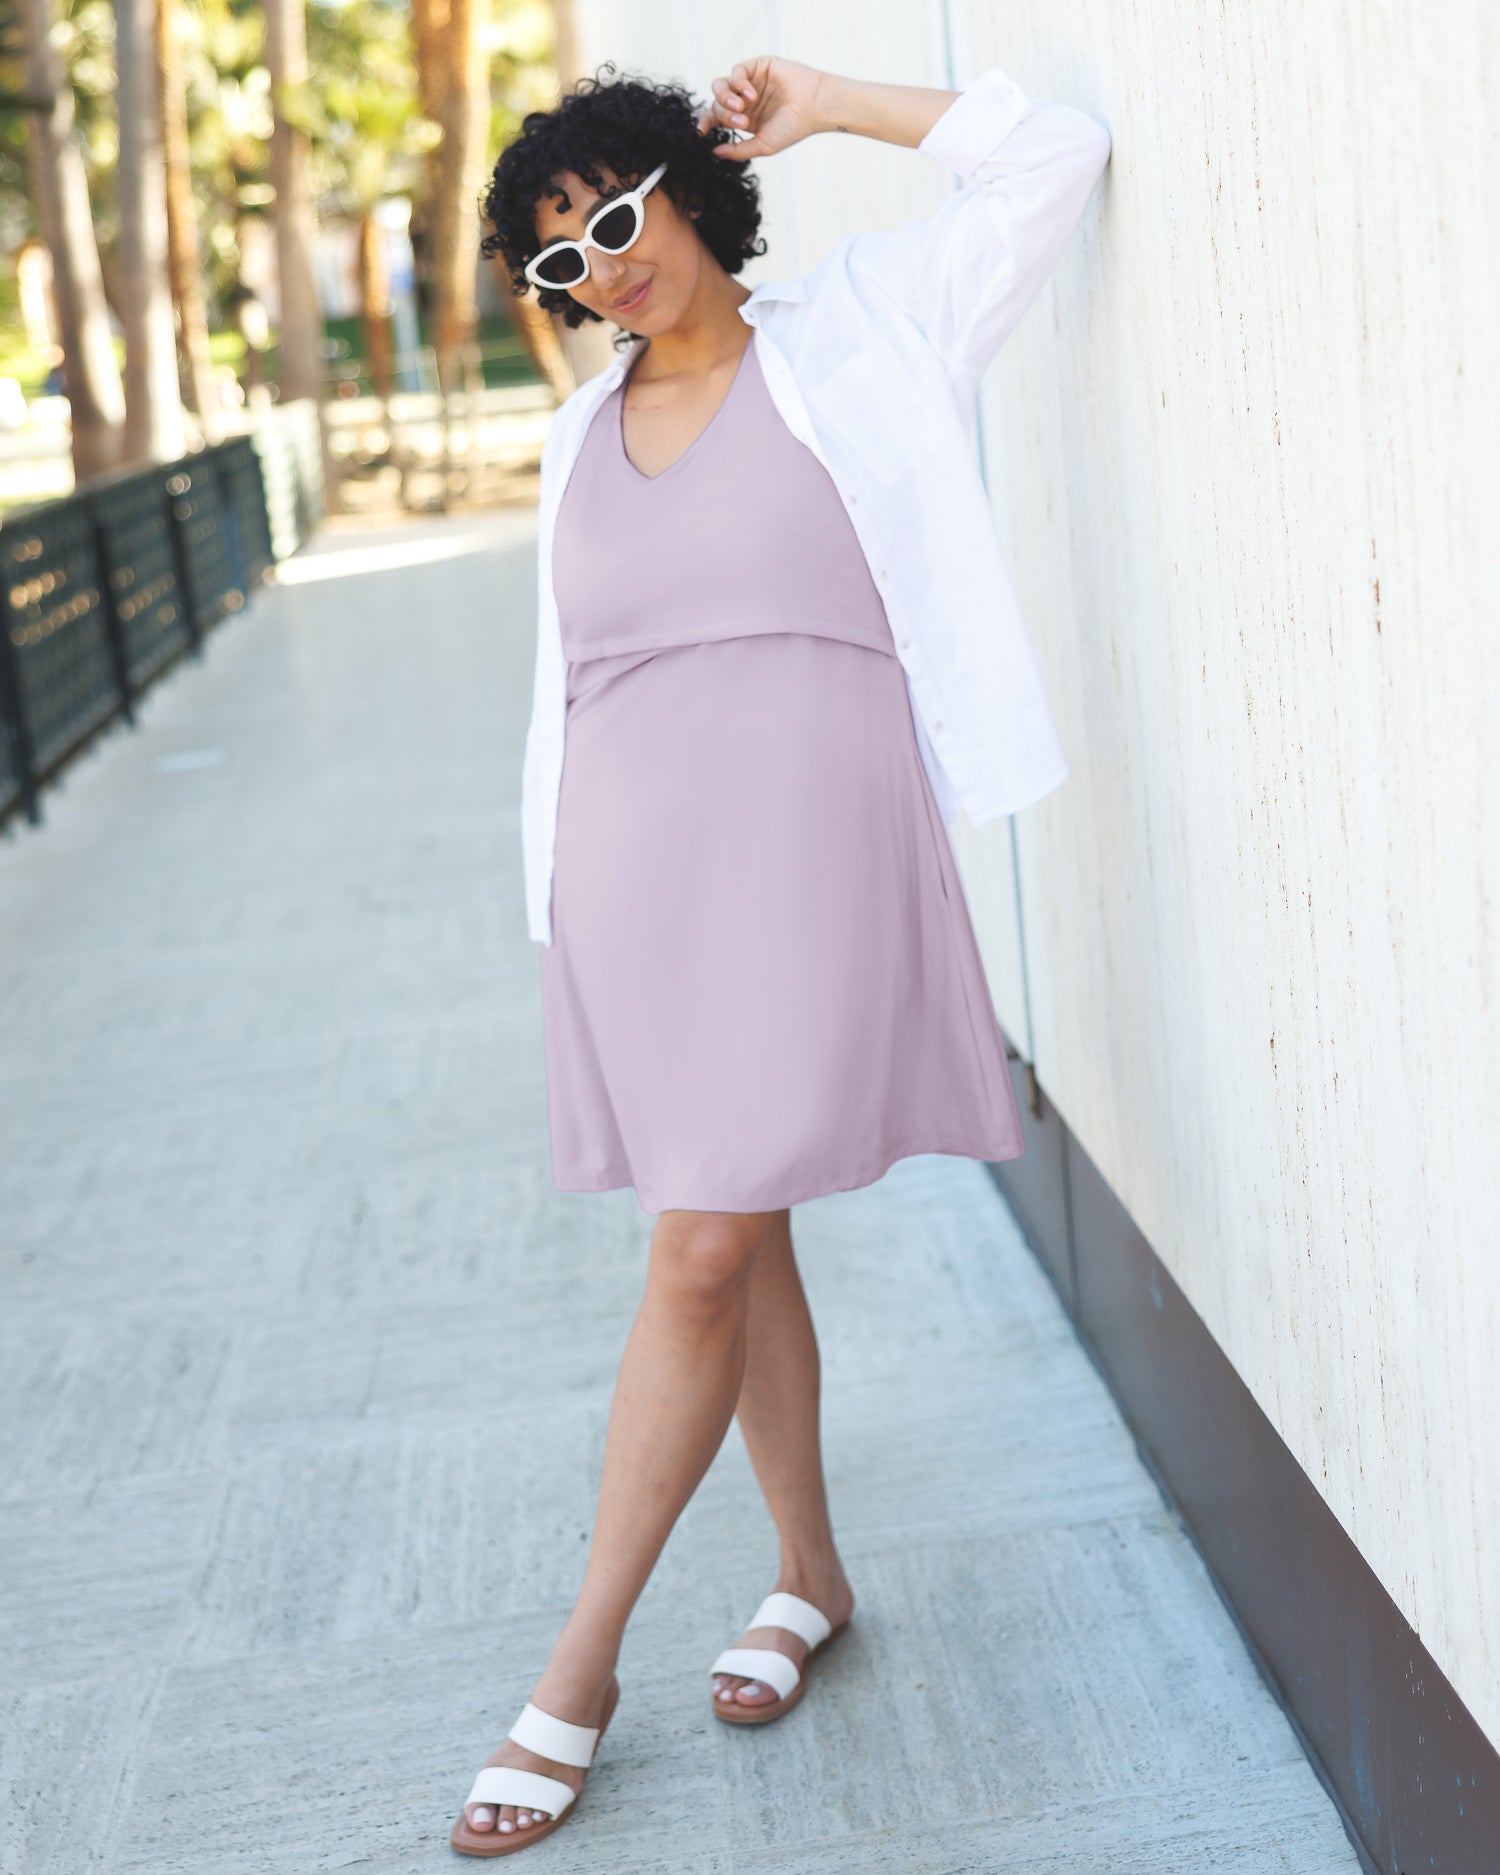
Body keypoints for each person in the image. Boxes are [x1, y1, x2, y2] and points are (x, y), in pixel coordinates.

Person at [451, 51, 1111, 1857]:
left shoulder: (863, 335)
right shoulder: (575, 436)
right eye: (556, 258)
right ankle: (807, 1574)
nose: (599, 261)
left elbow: (1051, 156)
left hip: (811, 854)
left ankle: (576, 1669)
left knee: (700, 1248)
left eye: (613, 210)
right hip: (638, 892)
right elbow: (564, 698)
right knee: (735, 1236)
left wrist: (834, 102)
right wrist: (560, 912)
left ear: (684, 183)